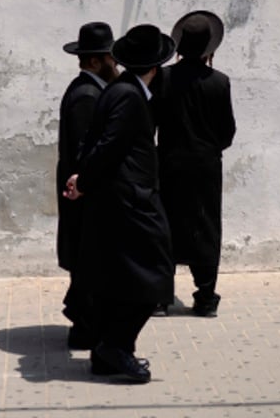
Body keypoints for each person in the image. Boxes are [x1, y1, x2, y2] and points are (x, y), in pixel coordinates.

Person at [64, 24, 176, 384]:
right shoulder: (128, 96)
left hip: (119, 200)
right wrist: (86, 181)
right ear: (156, 66)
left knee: (123, 279)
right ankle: (116, 345)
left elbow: (96, 144)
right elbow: (109, 146)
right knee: (156, 276)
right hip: (132, 202)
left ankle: (106, 353)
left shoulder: (119, 89)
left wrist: (84, 179)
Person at [155, 10, 235, 318]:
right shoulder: (220, 83)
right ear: (209, 50)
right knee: (206, 226)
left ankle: (161, 296)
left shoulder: (163, 78)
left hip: (169, 162)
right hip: (205, 166)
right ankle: (204, 296)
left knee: (166, 225)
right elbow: (227, 131)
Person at [56, 21, 118, 350]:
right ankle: (83, 328)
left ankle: (85, 325)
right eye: (111, 58)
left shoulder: (90, 91)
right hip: (83, 194)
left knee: (87, 261)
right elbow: (85, 154)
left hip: (83, 192)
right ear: (95, 61)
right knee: (86, 261)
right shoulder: (87, 96)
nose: (116, 64)